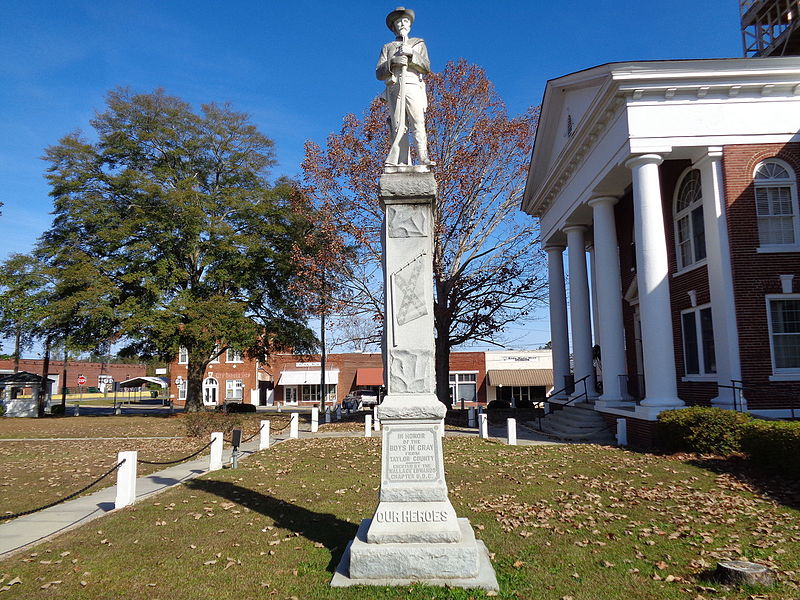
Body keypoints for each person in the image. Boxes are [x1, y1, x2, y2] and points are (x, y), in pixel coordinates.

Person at [376, 7, 433, 167]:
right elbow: (379, 72)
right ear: (394, 26)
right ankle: (401, 162)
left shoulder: (418, 43)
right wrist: (392, 62)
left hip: (413, 83)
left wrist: (412, 55)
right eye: (399, 21)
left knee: (417, 121)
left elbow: (426, 67)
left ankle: (423, 158)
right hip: (394, 86)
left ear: (410, 24)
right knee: (398, 125)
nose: (402, 23)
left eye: (405, 20)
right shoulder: (388, 47)